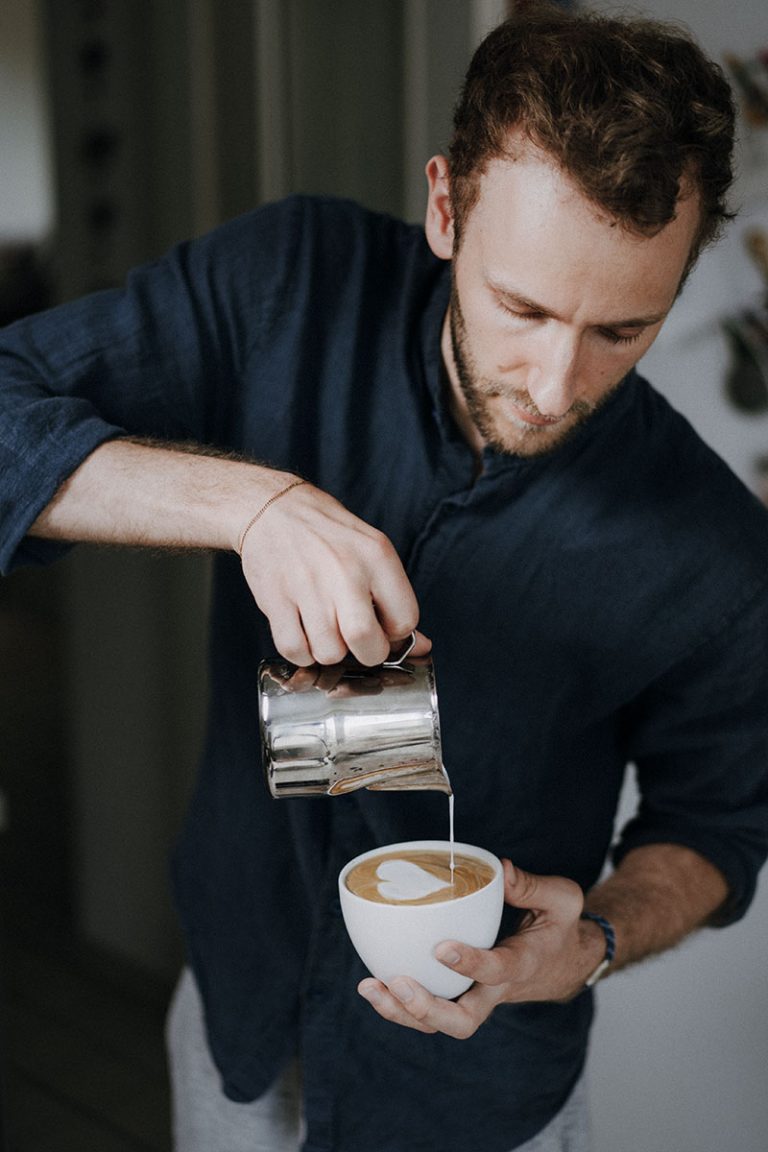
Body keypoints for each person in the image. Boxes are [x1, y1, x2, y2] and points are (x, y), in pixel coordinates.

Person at [1, 3, 767, 1150]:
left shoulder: (714, 546)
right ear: (447, 207)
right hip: (239, 1019)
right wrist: (250, 503)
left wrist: (597, 937)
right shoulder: (289, 282)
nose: (557, 383)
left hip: (483, 1091)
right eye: (524, 308)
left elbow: (718, 824)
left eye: (623, 330)